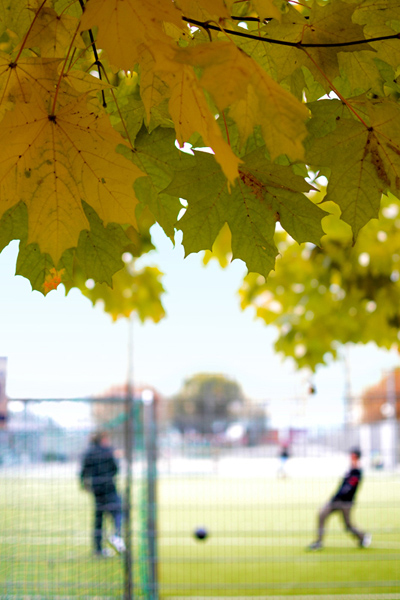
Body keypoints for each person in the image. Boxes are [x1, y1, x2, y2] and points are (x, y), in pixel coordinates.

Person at [307, 447, 371, 550]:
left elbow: (348, 488)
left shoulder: (357, 472)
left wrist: (339, 496)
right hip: (336, 501)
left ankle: (362, 536)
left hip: (346, 502)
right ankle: (319, 542)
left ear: (355, 456)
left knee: (348, 525)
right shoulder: (349, 469)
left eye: (351, 455)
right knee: (322, 514)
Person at [80, 430, 125, 557]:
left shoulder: (89, 452)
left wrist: (85, 485)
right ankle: (116, 535)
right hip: (109, 487)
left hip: (96, 489)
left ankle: (98, 549)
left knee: (98, 518)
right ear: (103, 439)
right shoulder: (108, 451)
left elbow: (83, 472)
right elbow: (116, 469)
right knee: (118, 512)